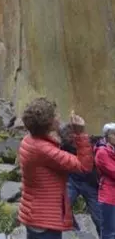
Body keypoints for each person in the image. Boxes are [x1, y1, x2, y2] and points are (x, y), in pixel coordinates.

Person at [18, 98, 93, 239]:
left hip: (35, 213)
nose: (59, 117)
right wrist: (80, 134)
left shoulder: (29, 140)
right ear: (49, 123)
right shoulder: (44, 150)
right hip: (45, 220)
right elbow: (84, 167)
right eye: (56, 115)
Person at [60, 123, 101, 235]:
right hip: (73, 179)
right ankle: (74, 230)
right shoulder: (64, 144)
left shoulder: (93, 142)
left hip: (91, 183)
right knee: (62, 204)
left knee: (99, 218)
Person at [96, 123, 115, 239]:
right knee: (109, 232)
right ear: (107, 136)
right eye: (114, 134)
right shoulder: (102, 153)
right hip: (109, 197)